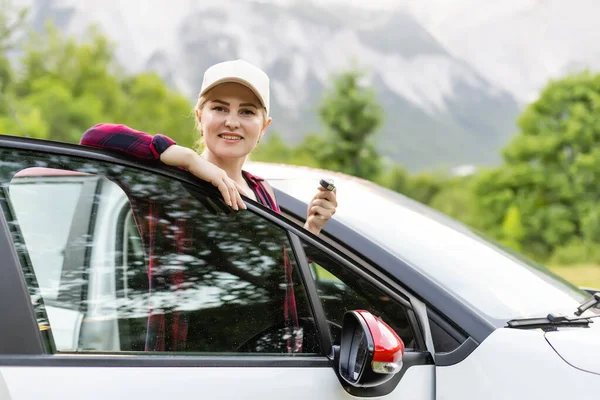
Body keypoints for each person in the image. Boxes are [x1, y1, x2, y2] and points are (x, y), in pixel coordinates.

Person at [80, 59, 337, 235]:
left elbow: (277, 279)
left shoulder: (262, 191)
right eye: (219, 108)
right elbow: (95, 136)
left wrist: (311, 229)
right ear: (200, 118)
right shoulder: (167, 178)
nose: (232, 122)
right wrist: (190, 160)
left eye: (247, 112)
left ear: (264, 127)